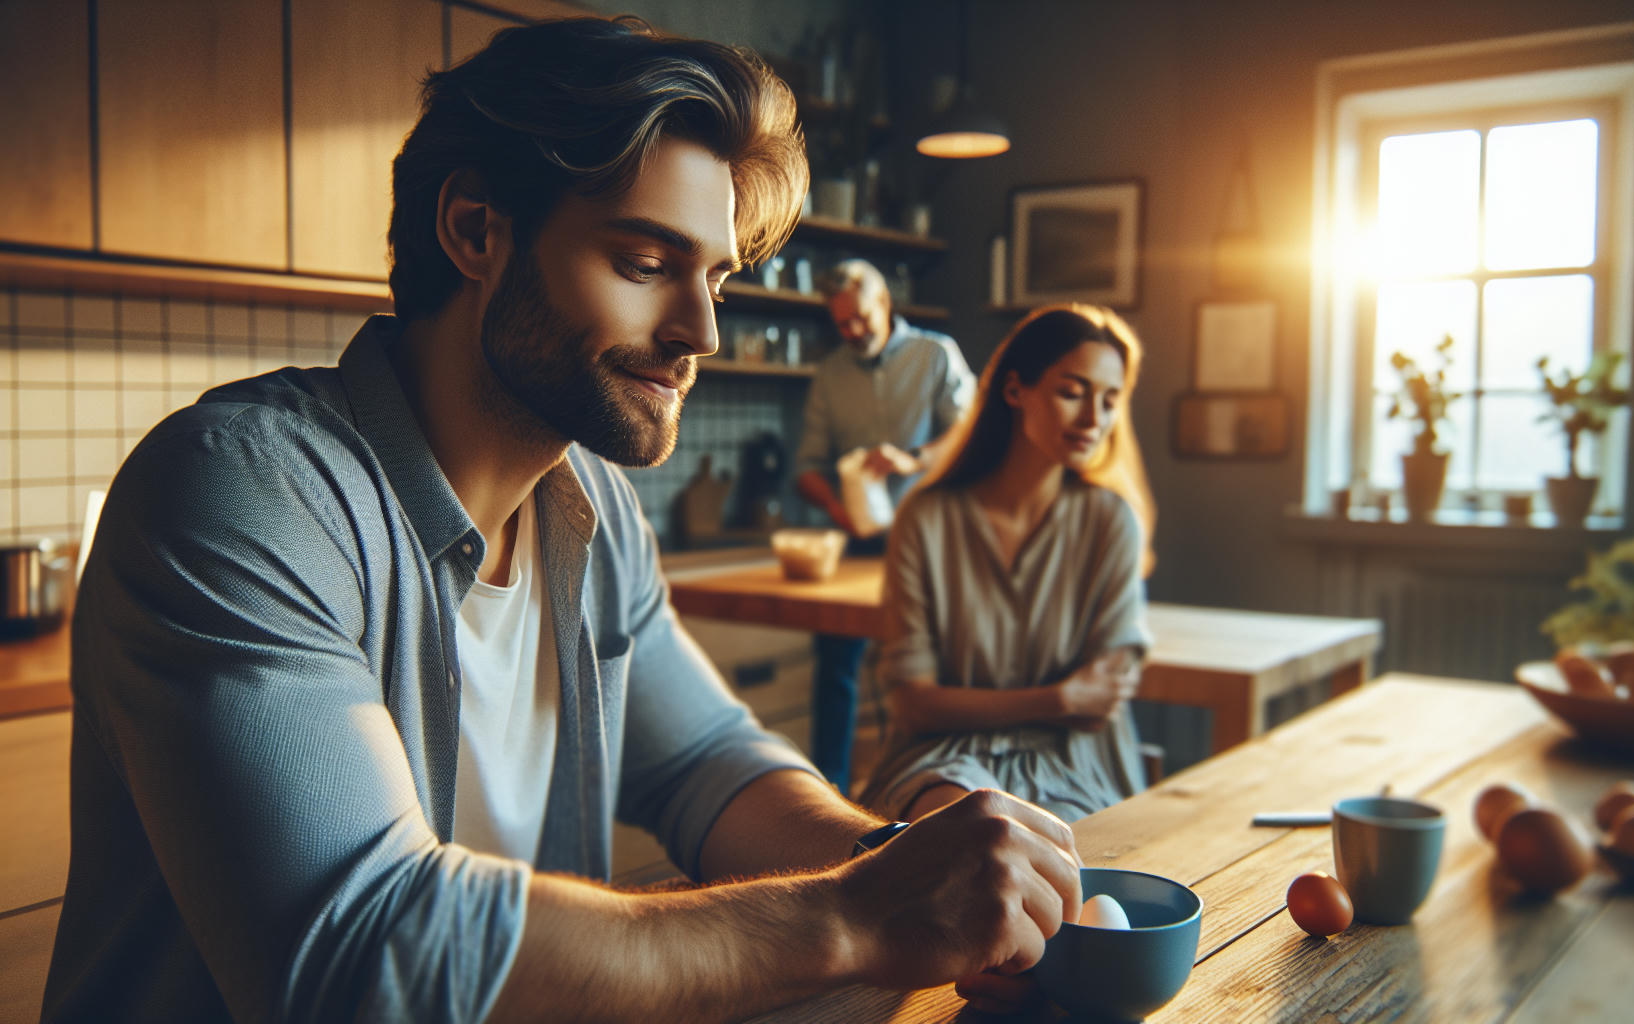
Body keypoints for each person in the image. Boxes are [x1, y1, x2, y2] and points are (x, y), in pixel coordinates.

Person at [42, 18, 1079, 1023]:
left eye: (715, 279)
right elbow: (363, 957)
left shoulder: (592, 507)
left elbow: (707, 764)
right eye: (645, 263)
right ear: (475, 230)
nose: (701, 331)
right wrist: (855, 915)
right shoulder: (242, 490)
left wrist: (894, 864)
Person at [856, 304, 1158, 824]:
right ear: (1015, 390)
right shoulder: (926, 518)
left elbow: (1099, 704)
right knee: (966, 828)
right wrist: (1060, 698)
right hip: (941, 758)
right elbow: (913, 705)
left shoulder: (1111, 522)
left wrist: (1059, 702)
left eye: (1110, 401)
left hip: (1071, 767)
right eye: (1073, 392)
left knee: (1046, 851)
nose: (1094, 420)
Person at [792, 259, 976, 792]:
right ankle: (829, 793)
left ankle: (936, 787)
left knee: (930, 668)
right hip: (859, 540)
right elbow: (807, 466)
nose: (852, 331)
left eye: (861, 318)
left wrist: (913, 459)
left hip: (932, 541)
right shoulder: (830, 374)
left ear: (885, 304)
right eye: (842, 323)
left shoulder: (935, 355)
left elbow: (970, 436)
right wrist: (836, 509)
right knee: (835, 665)